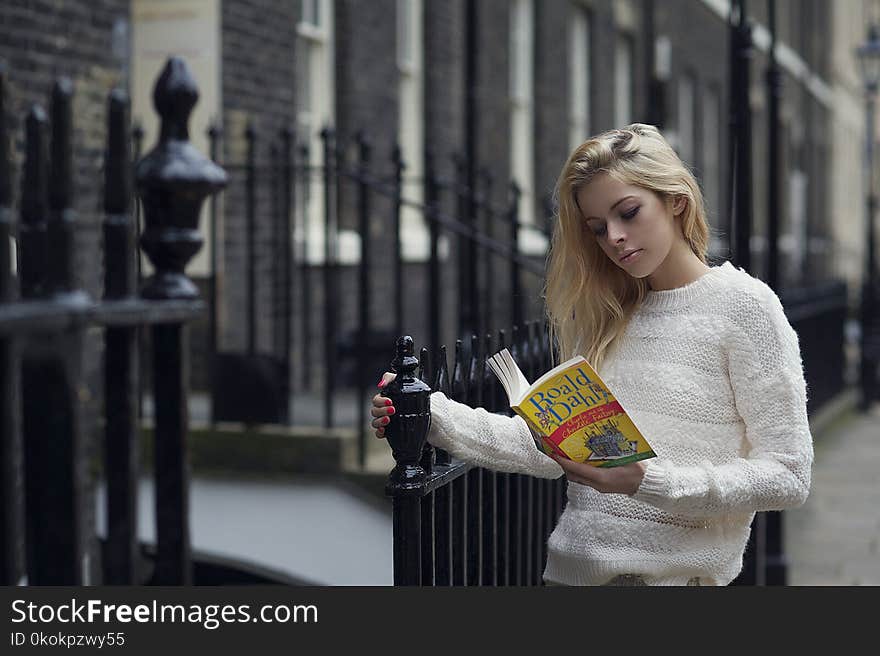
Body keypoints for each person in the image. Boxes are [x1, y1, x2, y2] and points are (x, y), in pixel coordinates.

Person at [370, 123, 813, 586]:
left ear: (676, 201)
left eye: (629, 212)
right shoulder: (609, 315)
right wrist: (429, 413)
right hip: (569, 575)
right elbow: (546, 449)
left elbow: (788, 475)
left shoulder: (744, 306)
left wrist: (649, 482)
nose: (614, 238)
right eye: (598, 229)